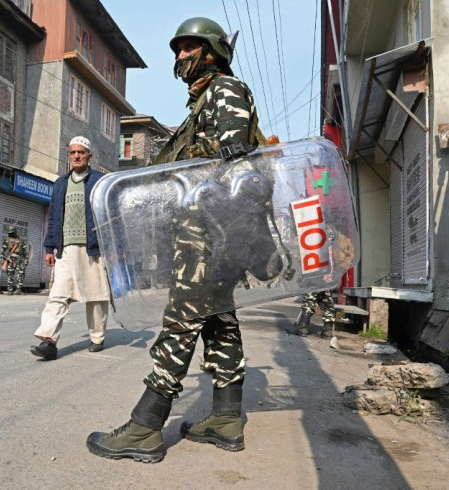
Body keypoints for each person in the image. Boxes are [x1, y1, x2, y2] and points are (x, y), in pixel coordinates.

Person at [87, 17, 262, 463]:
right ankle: (226, 418)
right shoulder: (201, 105)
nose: (179, 56)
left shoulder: (225, 91)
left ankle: (146, 426)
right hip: (205, 233)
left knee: (182, 320)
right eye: (178, 49)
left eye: (188, 48)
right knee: (219, 320)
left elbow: (236, 171)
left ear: (212, 52)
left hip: (210, 234)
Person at [30, 136, 109, 361]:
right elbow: (54, 217)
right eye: (73, 152)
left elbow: (109, 214)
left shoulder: (100, 181)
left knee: (95, 296)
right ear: (69, 155)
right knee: (58, 294)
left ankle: (96, 337)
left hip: (93, 249)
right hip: (65, 249)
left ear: (89, 156)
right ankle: (49, 341)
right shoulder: (61, 183)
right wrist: (49, 247)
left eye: (81, 152)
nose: (76, 156)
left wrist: (113, 247)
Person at [0, 227, 30, 295]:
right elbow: (3, 250)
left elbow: (25, 251)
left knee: (21, 274)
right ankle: (10, 290)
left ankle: (18, 289)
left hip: (20, 259)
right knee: (10, 275)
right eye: (10, 233)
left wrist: (26, 259)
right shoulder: (7, 240)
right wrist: (2, 259)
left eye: (12, 233)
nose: (11, 234)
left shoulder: (21, 240)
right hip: (10, 259)